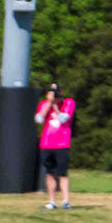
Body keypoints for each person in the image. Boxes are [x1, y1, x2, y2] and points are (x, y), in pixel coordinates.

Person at [36, 81, 75, 209]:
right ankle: (52, 201)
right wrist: (49, 104)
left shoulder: (68, 103)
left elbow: (64, 119)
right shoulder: (44, 104)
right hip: (47, 144)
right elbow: (39, 119)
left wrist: (55, 106)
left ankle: (65, 201)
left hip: (62, 144)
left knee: (62, 174)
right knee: (49, 173)